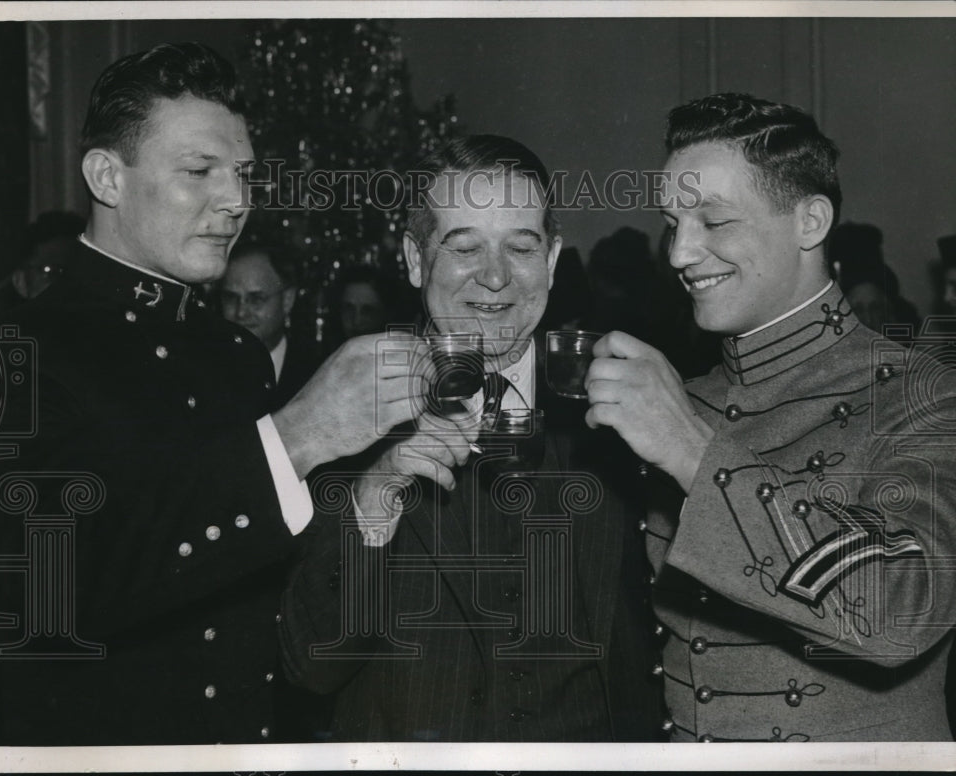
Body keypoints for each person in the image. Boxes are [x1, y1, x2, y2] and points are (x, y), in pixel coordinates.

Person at [0, 42, 428, 746]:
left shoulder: (236, 356)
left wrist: (375, 487)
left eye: (244, 174)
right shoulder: (15, 350)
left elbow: (280, 614)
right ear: (107, 176)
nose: (236, 202)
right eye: (199, 171)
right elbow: (49, 599)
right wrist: (298, 437)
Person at [583, 92, 956, 741]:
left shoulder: (921, 392)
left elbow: (901, 612)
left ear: (810, 222)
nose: (678, 254)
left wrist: (694, 454)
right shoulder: (683, 397)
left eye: (715, 222)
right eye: (673, 223)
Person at [278, 135, 663, 741]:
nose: (495, 276)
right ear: (413, 258)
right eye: (464, 247)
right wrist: (373, 495)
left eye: (521, 247)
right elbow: (311, 667)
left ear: (553, 259)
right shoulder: (339, 413)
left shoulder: (621, 415)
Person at [219, 242, 321, 408]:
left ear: (287, 300)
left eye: (256, 299)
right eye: (231, 298)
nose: (241, 313)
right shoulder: (205, 369)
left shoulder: (316, 374)